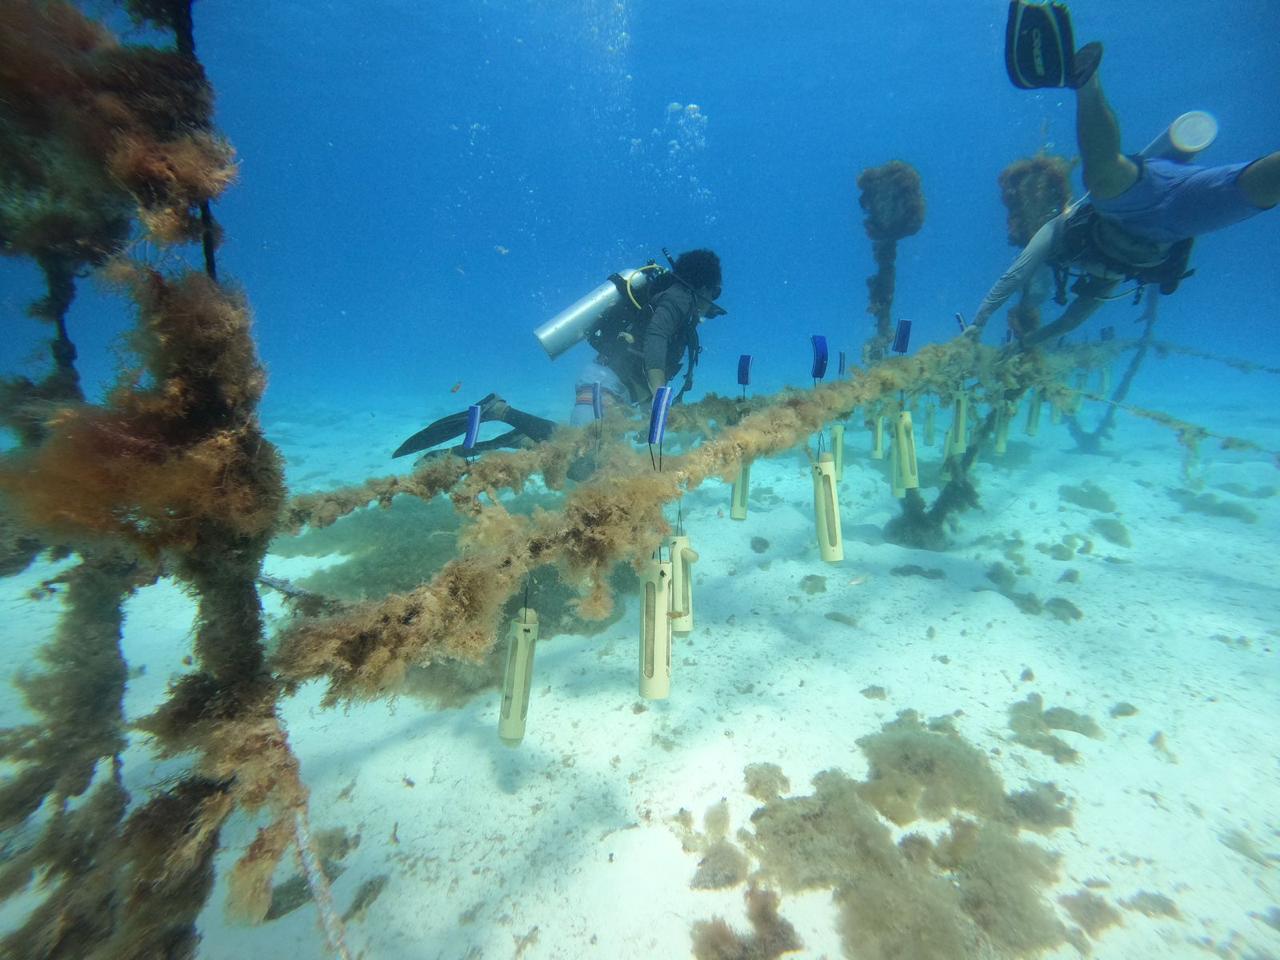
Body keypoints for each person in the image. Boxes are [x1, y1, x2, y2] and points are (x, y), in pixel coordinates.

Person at [971, 2, 1278, 349]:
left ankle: (1087, 82)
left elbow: (1015, 275)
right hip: (1180, 220)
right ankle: (1087, 85)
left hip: (1129, 201)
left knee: (1102, 176)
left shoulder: (1058, 229)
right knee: (1261, 186)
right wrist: (1024, 343)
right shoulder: (1105, 278)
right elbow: (1071, 319)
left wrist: (979, 322)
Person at [393, 248, 725, 459]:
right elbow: (654, 341)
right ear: (705, 287)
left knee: (580, 455)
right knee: (583, 462)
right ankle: (500, 411)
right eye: (717, 292)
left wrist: (653, 410)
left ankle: (516, 438)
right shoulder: (679, 300)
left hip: (611, 388)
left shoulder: (677, 307)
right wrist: (659, 399)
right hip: (603, 387)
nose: (714, 303)